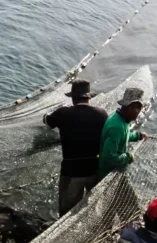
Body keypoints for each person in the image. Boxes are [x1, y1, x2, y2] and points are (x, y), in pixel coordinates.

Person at [43, 79, 108, 216]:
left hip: (71, 172)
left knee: (67, 212)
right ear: (89, 97)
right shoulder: (102, 114)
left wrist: (50, 113)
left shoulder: (63, 113)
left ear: (72, 97)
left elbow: (47, 121)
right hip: (94, 170)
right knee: (93, 207)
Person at [97, 87, 149, 180]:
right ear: (129, 106)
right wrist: (128, 157)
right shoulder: (116, 127)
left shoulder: (121, 118)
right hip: (107, 176)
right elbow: (109, 157)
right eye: (136, 107)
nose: (138, 111)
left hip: (116, 172)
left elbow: (124, 135)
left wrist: (138, 136)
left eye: (139, 108)